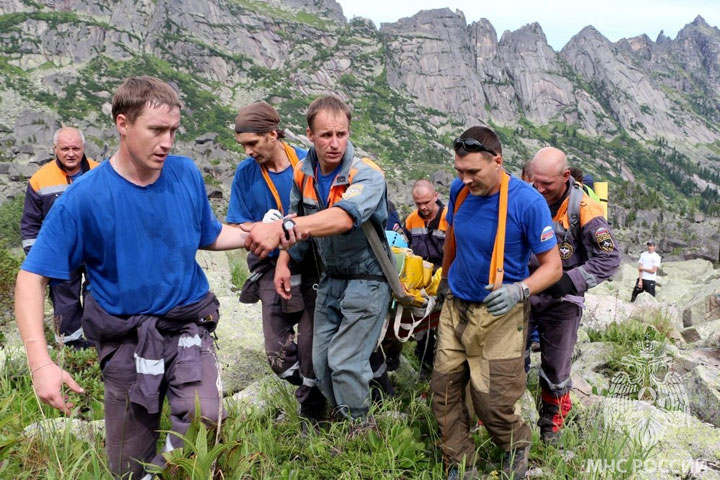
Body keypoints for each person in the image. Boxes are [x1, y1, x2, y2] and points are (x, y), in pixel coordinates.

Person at [15, 76, 255, 479]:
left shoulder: (185, 175)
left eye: (173, 131)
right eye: (156, 130)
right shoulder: (83, 198)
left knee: (204, 418)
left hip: (186, 326)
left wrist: (255, 234)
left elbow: (209, 235)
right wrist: (41, 364)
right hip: (125, 339)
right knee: (127, 465)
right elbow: (31, 278)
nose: (167, 142)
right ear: (122, 124)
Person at [245, 95, 393, 424]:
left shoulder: (367, 175)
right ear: (310, 136)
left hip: (367, 280)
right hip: (331, 280)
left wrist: (284, 227)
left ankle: (363, 434)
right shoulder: (303, 172)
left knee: (345, 363)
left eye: (341, 134)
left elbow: (342, 218)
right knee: (322, 364)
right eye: (326, 135)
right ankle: (349, 418)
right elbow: (299, 220)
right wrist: (284, 260)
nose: (335, 143)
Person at [431, 126, 562, 479]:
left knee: (494, 402)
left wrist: (520, 290)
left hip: (499, 316)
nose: (464, 178)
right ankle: (458, 461)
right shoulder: (460, 191)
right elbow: (452, 241)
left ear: (497, 162)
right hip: (456, 308)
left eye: (473, 171)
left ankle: (516, 446)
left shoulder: (527, 202)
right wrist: (443, 282)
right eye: (459, 171)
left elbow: (553, 266)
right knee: (444, 393)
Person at [227, 101, 325, 426]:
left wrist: (281, 230)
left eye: (252, 144)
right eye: (243, 146)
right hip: (269, 266)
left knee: (311, 345)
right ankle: (321, 388)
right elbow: (238, 222)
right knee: (278, 356)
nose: (248, 152)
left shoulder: (308, 163)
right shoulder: (246, 173)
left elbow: (319, 216)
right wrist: (258, 226)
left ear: (273, 134)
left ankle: (313, 415)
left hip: (312, 264)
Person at [530, 147, 620, 444]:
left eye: (547, 184)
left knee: (556, 366)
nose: (539, 189)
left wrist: (570, 281)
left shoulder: (585, 209)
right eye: (535, 181)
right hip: (525, 292)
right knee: (507, 357)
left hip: (562, 300)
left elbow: (609, 258)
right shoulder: (528, 197)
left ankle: (551, 423)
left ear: (565, 176)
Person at [20, 127, 99, 349]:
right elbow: (30, 223)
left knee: (99, 295)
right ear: (55, 149)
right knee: (65, 302)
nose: (71, 153)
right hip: (60, 254)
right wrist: (36, 259)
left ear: (83, 149)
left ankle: (99, 342)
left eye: (76, 148)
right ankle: (71, 349)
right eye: (65, 148)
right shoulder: (40, 179)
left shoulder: (100, 172)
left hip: (96, 251)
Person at [403, 179, 448, 373]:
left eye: (426, 202)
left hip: (444, 282)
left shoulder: (450, 218)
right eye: (418, 203)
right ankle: (424, 365)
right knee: (422, 331)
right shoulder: (412, 220)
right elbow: (405, 248)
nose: (423, 207)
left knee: (446, 331)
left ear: (435, 197)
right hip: (421, 284)